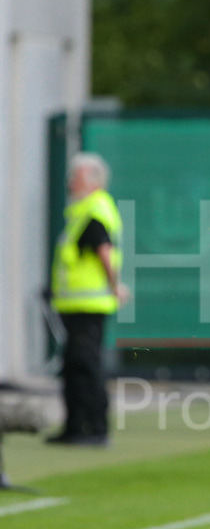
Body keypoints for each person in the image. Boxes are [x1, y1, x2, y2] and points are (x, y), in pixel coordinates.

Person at [46, 153, 129, 447]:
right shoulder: (82, 210)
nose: (70, 182)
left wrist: (115, 285)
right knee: (73, 366)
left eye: (76, 176)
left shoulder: (94, 209)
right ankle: (75, 426)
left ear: (93, 180)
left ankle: (94, 428)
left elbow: (103, 250)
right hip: (76, 304)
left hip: (89, 305)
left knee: (87, 366)